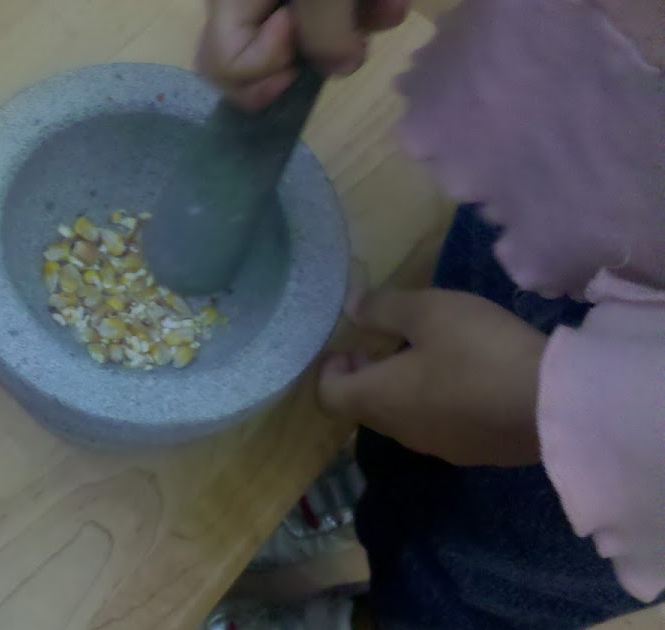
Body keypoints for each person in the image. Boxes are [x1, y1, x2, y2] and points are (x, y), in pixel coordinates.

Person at [196, 0, 665, 627]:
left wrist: (577, 404)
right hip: (581, 143)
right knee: (415, 420)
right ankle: (370, 490)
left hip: (639, 463)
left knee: (471, 583)